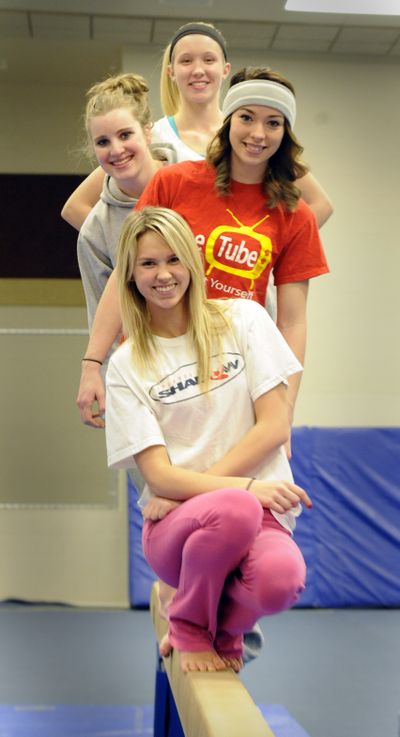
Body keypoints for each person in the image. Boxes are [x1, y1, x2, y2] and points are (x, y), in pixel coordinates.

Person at [105, 205, 312, 674]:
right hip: (180, 532)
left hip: (230, 510)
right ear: (132, 275)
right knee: (235, 508)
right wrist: (245, 489)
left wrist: (215, 490)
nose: (163, 275)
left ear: (192, 263)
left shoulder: (243, 319)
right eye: (148, 264)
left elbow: (275, 425)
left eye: (173, 259)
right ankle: (190, 624)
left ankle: (225, 627)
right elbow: (156, 474)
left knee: (283, 581)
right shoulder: (128, 362)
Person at [77, 67, 329, 442]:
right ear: (228, 122)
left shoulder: (295, 215)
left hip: (235, 374)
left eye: (273, 122)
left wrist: (283, 414)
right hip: (160, 364)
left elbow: (292, 324)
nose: (258, 134)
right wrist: (92, 363)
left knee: (232, 492)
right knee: (167, 490)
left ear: (285, 134)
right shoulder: (174, 183)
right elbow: (124, 273)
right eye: (246, 118)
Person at [61, 22, 333, 231]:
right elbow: (75, 208)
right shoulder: (152, 136)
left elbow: (321, 205)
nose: (198, 70)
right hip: (178, 292)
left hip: (241, 292)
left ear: (225, 69)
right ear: (171, 71)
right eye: (186, 61)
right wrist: (135, 250)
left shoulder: (250, 137)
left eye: (208, 60)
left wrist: (270, 248)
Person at [76, 72, 176, 332]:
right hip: (146, 360)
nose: (116, 150)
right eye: (103, 142)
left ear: (147, 132)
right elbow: (107, 324)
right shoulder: (95, 230)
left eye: (125, 135)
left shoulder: (193, 184)